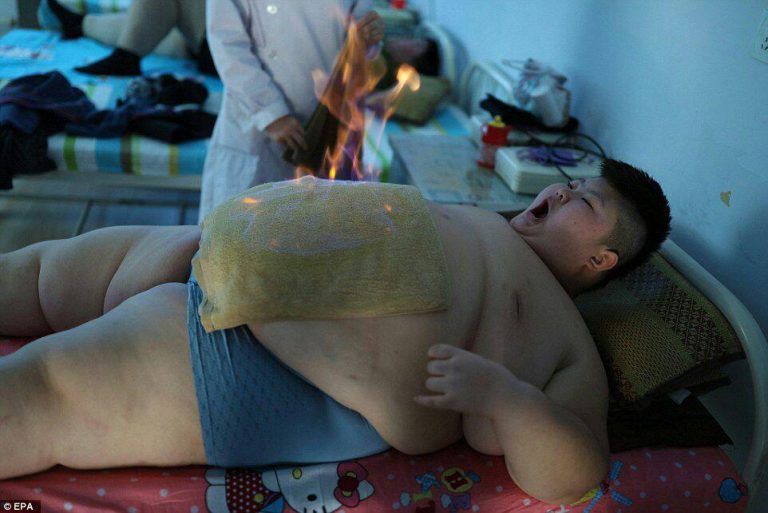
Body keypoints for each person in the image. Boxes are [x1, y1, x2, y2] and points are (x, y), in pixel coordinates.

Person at [0, 159, 670, 505]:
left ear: (601, 261)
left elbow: (576, 472)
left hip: (266, 368)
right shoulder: (491, 222)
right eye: (569, 182)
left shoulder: (566, 339)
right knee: (40, 273)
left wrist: (509, 399)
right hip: (210, 249)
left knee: (40, 392)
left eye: (584, 201)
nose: (559, 192)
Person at [198, 0, 385, 221]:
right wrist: (270, 113)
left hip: (328, 125)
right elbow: (227, 44)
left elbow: (360, 39)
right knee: (241, 231)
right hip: (256, 129)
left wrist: (368, 39)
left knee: (321, 230)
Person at [46, 0, 216, 76]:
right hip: (218, 53)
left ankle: (126, 57)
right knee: (153, 25)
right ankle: (79, 24)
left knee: (154, 21)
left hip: (222, 56)